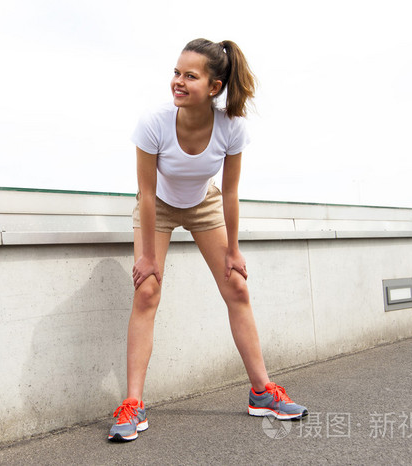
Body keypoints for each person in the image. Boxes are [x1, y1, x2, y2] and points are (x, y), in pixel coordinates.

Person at [108, 38, 308, 442]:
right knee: (147, 291)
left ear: (214, 86)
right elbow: (146, 194)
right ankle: (132, 404)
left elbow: (230, 193)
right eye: (176, 73)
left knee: (237, 286)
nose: (177, 82)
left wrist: (233, 250)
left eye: (190, 76)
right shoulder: (154, 122)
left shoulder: (232, 128)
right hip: (158, 206)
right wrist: (147, 257)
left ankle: (262, 392)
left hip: (204, 204)